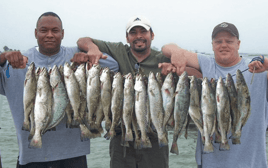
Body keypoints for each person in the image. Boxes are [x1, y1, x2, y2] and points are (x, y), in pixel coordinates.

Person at [72, 15, 202, 168]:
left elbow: (198, 76)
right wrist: (92, 48)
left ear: (152, 36)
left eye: (143, 31)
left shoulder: (162, 59)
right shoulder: (118, 50)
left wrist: (177, 66)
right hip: (121, 139)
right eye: (133, 33)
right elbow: (82, 41)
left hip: (155, 138)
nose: (138, 36)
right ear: (127, 38)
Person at [0, 12, 118, 167]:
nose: (49, 35)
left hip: (74, 156)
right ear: (36, 33)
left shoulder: (75, 54)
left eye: (55, 30)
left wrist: (91, 51)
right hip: (31, 158)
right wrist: (3, 58)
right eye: (44, 30)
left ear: (63, 34)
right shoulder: (17, 61)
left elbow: (113, 66)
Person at [161, 22, 268, 168]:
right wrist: (177, 53)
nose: (223, 45)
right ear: (212, 45)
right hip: (210, 163)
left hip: (252, 162)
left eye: (229, 41)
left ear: (238, 44)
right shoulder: (207, 63)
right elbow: (167, 48)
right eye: (218, 41)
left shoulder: (257, 69)